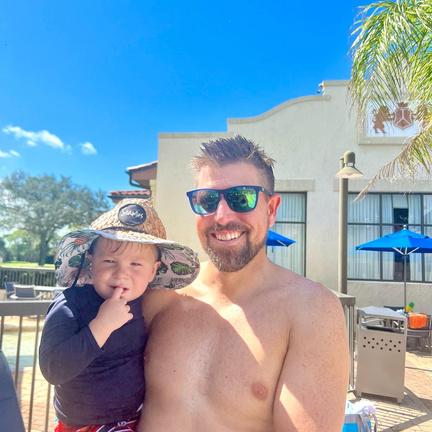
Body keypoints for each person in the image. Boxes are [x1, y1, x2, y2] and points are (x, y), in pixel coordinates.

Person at [138, 136, 349, 432]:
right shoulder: (159, 297)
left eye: (241, 198)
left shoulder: (310, 310)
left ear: (271, 209)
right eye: (207, 200)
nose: (222, 216)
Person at [39, 198, 199, 432]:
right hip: (84, 425)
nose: (121, 273)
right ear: (91, 263)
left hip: (133, 420)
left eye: (136, 264)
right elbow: (53, 369)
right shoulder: (70, 304)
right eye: (109, 261)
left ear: (153, 271)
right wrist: (101, 326)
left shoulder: (145, 303)